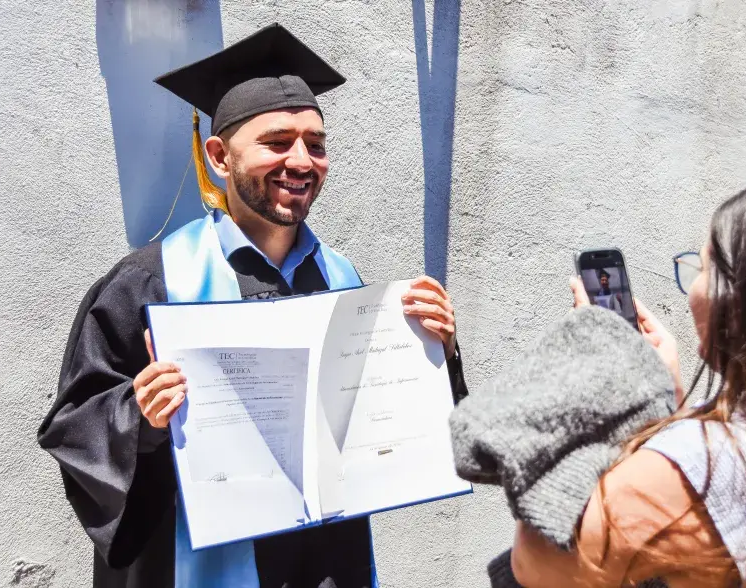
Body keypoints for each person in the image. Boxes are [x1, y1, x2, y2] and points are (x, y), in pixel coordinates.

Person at [37, 23, 468, 588]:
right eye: (277, 141)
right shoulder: (151, 281)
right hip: (196, 562)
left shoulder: (343, 280)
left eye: (315, 144)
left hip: (323, 563)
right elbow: (74, 426)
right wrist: (138, 415)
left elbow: (398, 429)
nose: (302, 160)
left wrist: (438, 355)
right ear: (219, 156)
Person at [510, 182, 746, 587]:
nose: (693, 286)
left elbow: (538, 564)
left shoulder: (702, 461)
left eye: (702, 267)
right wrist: (667, 410)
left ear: (741, 298)